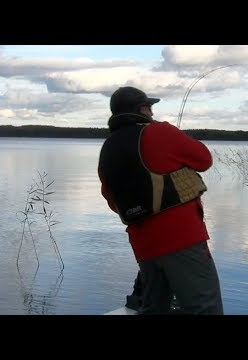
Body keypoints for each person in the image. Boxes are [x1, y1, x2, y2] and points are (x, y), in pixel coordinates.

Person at [98, 86, 224, 315]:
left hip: (143, 243)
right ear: (143, 109)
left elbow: (110, 197)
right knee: (204, 307)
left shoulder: (108, 147)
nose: (152, 114)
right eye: (150, 108)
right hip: (183, 238)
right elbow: (204, 160)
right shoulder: (160, 132)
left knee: (154, 309)